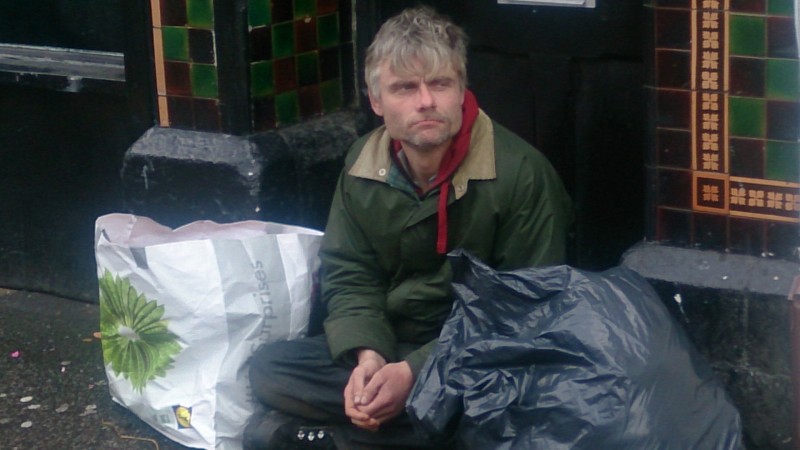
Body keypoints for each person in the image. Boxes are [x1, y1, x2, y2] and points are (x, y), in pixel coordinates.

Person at [244, 5, 572, 449]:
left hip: (476, 357)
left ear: (460, 91)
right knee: (270, 369)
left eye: (440, 83)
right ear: (376, 101)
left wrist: (416, 371)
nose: (425, 101)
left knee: (506, 404)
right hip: (392, 343)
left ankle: (327, 440)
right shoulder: (363, 165)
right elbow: (349, 271)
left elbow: (523, 312)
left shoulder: (521, 174)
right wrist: (367, 356)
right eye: (405, 87)